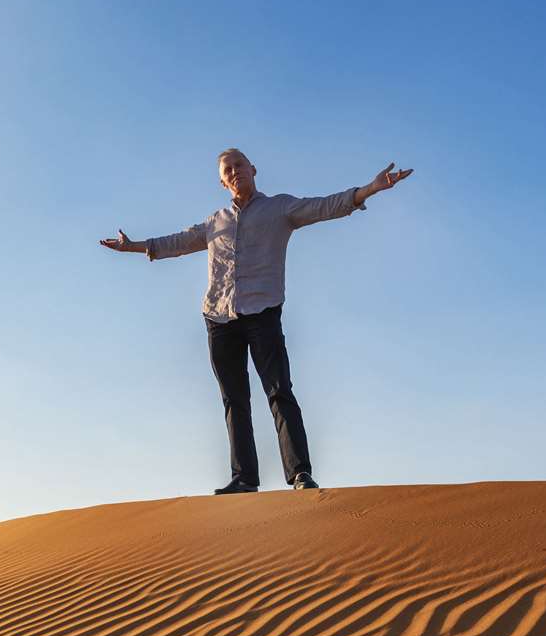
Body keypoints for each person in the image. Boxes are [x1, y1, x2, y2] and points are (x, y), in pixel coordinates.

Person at [100, 148, 413, 494]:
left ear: (253, 169)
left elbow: (324, 206)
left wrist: (368, 189)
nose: (234, 173)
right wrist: (133, 247)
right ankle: (244, 478)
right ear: (222, 181)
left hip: (263, 312)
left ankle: (299, 474)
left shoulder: (279, 208)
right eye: (227, 170)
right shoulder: (214, 222)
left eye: (239, 166)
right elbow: (176, 241)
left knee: (279, 391)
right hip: (219, 317)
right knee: (234, 399)